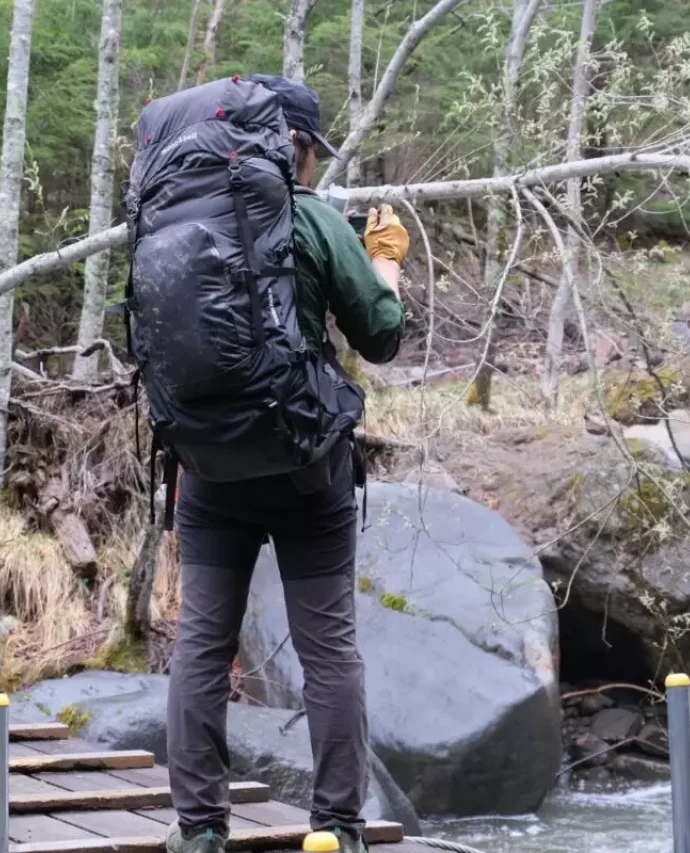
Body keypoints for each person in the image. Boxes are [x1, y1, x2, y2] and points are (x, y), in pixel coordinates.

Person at [164, 74, 410, 853]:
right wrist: (385, 263)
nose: (315, 172)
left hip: (206, 466)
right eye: (314, 156)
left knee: (202, 643)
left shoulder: (178, 217)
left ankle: (198, 829)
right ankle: (338, 826)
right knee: (329, 646)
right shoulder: (308, 219)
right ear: (294, 147)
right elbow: (381, 335)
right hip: (306, 473)